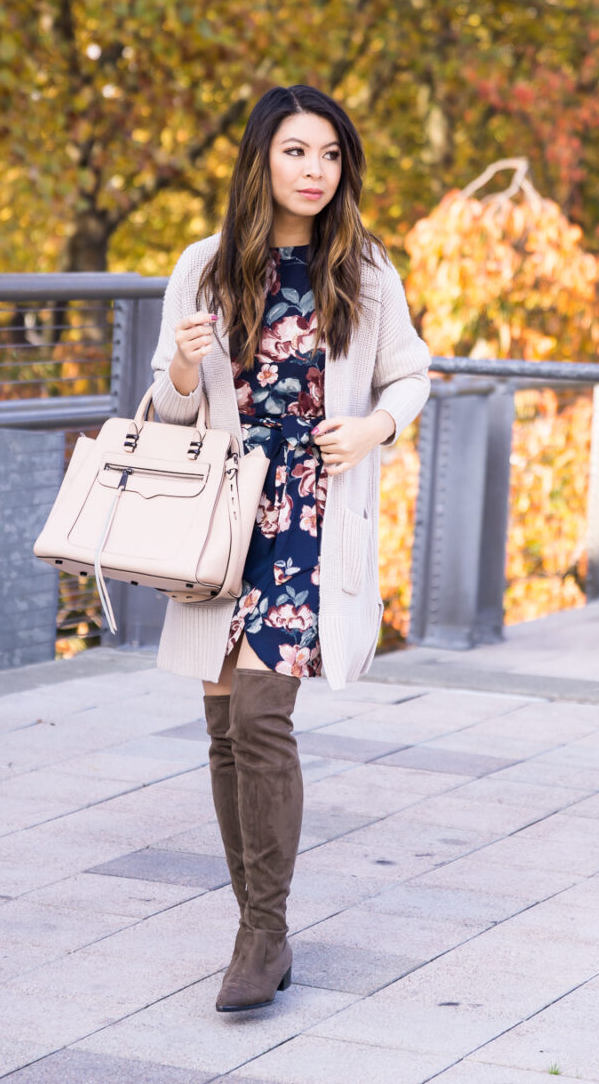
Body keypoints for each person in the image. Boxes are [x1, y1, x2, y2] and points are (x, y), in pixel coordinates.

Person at [149, 84, 430, 1013]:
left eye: (331, 155)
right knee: (225, 725)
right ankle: (256, 930)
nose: (315, 172)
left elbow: (413, 374)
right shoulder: (207, 264)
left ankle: (261, 933)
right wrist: (187, 365)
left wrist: (375, 429)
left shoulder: (366, 269)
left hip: (309, 514)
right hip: (224, 514)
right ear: (261, 160)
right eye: (296, 153)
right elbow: (170, 413)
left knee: (264, 715)